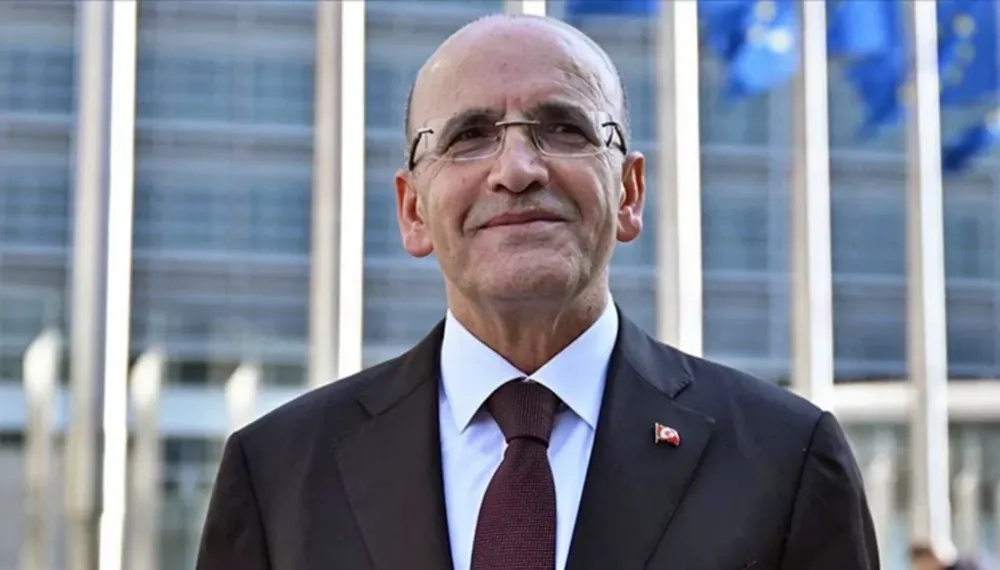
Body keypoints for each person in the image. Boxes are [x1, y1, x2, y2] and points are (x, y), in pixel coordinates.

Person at [195, 13, 880, 570]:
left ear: (630, 193)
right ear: (412, 211)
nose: (518, 170)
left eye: (563, 128)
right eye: (469, 136)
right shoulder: (279, 473)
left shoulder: (785, 458)